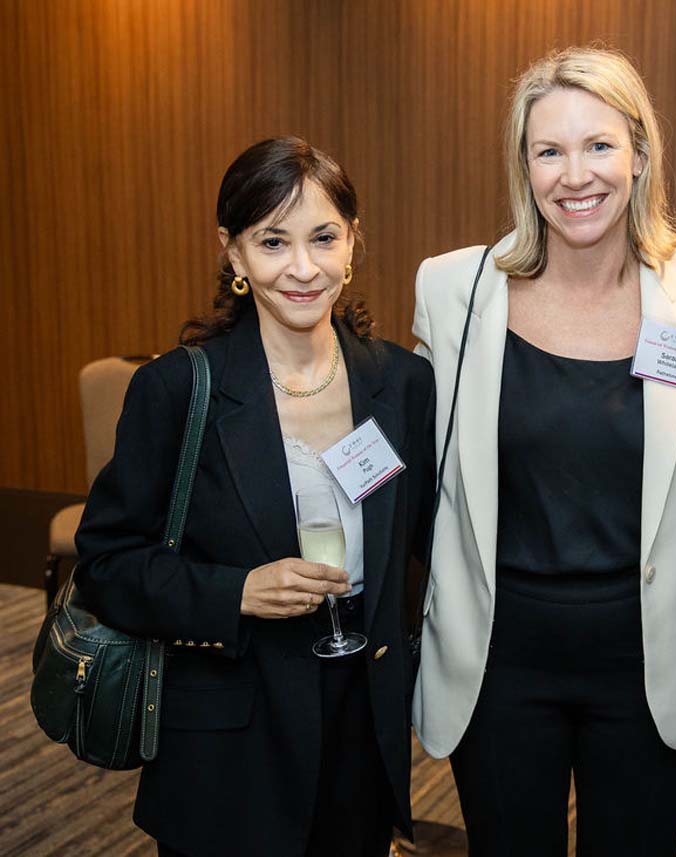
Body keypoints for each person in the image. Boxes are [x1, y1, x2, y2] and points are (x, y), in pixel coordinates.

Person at [411, 46, 676, 857]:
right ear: (524, 167)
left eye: (598, 145)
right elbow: (409, 463)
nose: (574, 174)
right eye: (548, 150)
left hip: (647, 653)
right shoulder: (456, 290)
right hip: (499, 658)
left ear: (639, 153)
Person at [74, 137, 435, 857]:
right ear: (233, 254)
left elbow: (416, 552)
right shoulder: (180, 390)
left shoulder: (400, 383)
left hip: (361, 729)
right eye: (273, 241)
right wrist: (235, 590)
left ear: (352, 242)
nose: (303, 268)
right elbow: (106, 567)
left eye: (323, 237)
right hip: (229, 739)